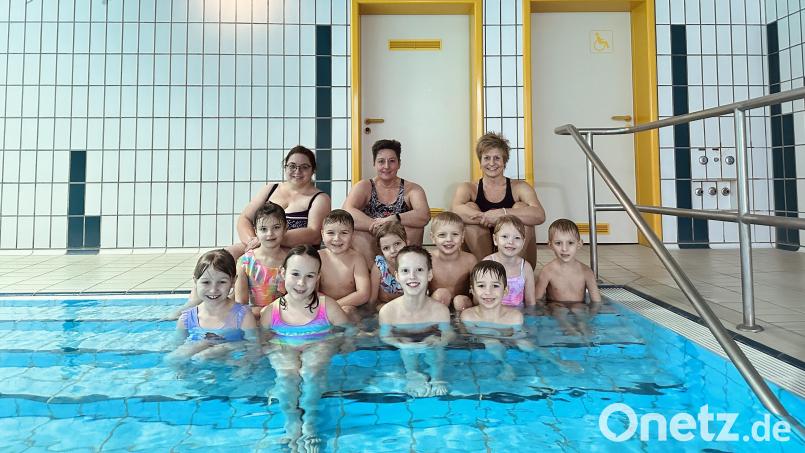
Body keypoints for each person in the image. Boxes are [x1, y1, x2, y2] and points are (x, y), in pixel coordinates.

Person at [261, 245, 351, 451]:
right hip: (285, 348)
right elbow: (263, 343)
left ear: (318, 277)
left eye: (309, 276)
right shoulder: (271, 312)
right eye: (295, 274)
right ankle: (292, 421)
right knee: (286, 372)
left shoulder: (328, 307)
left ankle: (310, 421)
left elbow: (348, 333)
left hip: (317, 346)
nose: (301, 283)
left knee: (310, 369)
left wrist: (336, 344)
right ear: (283, 273)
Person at [461, 260, 580, 378]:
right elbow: (469, 337)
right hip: (490, 343)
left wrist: (497, 334)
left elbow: (520, 337)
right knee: (492, 343)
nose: (488, 292)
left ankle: (558, 362)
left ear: (505, 291)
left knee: (525, 344)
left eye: (495, 286)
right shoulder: (468, 316)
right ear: (472, 291)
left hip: (507, 336)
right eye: (481, 286)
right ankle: (506, 366)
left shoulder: (514, 317)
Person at [451, 132, 546, 266]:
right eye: (487, 158)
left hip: (517, 255)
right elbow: (455, 210)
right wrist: (486, 217)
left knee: (521, 208)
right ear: (480, 161)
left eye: (497, 158)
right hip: (481, 253)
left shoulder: (519, 187)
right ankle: (489, 269)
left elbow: (539, 215)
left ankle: (511, 271)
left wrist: (502, 214)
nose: (491, 163)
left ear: (504, 161)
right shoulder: (468, 188)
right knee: (469, 208)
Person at [379, 245, 453, 398]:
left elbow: (448, 335)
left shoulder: (440, 311)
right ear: (397, 276)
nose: (412, 276)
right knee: (406, 346)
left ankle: (437, 377)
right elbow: (385, 337)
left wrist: (439, 341)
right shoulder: (388, 311)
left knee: (435, 343)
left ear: (429, 275)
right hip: (405, 344)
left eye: (419, 270)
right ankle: (412, 375)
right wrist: (403, 344)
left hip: (430, 341)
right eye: (405, 271)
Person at [343, 139, 431, 266]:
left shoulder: (412, 189)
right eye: (381, 161)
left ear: (399, 164)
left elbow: (424, 216)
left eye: (392, 161)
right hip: (371, 243)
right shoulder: (364, 186)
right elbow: (347, 212)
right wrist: (377, 225)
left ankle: (406, 271)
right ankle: (370, 273)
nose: (386, 166)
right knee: (356, 230)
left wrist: (393, 219)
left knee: (415, 227)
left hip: (400, 247)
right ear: (374, 163)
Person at [235, 146, 331, 256]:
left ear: (313, 170)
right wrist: (252, 241)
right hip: (261, 245)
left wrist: (270, 239)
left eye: (304, 167)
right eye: (292, 166)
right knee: (227, 255)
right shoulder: (270, 189)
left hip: (297, 252)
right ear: (285, 167)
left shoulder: (320, 198)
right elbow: (244, 218)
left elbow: (314, 234)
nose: (297, 171)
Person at [169, 249, 258, 361]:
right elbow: (176, 350)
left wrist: (224, 348)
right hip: (199, 372)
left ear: (233, 282)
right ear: (196, 282)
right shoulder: (186, 319)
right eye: (206, 282)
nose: (213, 290)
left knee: (203, 356)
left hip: (230, 365)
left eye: (222, 282)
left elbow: (254, 348)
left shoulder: (243, 316)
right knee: (174, 358)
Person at [535, 219, 602, 335]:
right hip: (555, 306)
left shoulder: (587, 272)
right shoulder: (547, 271)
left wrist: (590, 315)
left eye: (570, 243)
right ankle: (568, 329)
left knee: (579, 309)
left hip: (579, 305)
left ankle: (583, 327)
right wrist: (544, 312)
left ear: (579, 244)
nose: (564, 249)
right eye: (558, 243)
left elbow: (596, 301)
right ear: (550, 245)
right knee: (559, 310)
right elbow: (536, 299)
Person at [234, 203, 288, 318]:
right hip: (255, 319)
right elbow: (240, 304)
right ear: (256, 231)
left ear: (285, 229)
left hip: (283, 318)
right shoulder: (245, 262)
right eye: (263, 229)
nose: (270, 234)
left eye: (276, 227)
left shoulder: (291, 260)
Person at [318, 210, 371, 318]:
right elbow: (311, 292)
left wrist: (334, 306)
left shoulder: (357, 259)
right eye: (330, 233)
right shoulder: (318, 258)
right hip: (323, 306)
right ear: (322, 234)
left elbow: (364, 294)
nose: (337, 238)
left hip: (349, 307)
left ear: (352, 235)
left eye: (344, 233)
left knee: (348, 311)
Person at [428, 211, 477, 311]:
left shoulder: (470, 260)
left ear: (462, 237)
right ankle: (439, 324)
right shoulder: (428, 259)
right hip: (437, 303)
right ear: (433, 238)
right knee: (441, 294)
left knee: (460, 301)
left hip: (462, 305)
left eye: (455, 234)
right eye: (442, 235)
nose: (449, 239)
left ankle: (461, 325)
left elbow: (478, 289)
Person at [483, 215, 536, 307]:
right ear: (495, 239)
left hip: (516, 316)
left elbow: (531, 302)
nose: (511, 242)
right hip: (493, 313)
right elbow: (478, 298)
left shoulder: (525, 268)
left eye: (517, 238)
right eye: (505, 236)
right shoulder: (487, 263)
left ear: (523, 242)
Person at [369, 221, 407, 311]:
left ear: (406, 242)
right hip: (385, 307)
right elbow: (372, 300)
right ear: (381, 251)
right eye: (386, 248)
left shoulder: (414, 263)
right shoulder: (379, 268)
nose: (393, 250)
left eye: (397, 244)